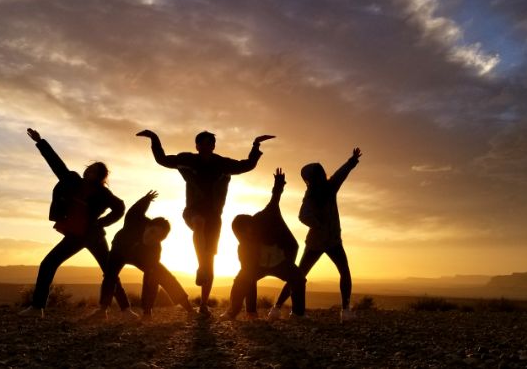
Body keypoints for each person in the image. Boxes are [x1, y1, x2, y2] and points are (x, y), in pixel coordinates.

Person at [136, 129, 274, 316]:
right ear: (197, 145)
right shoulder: (187, 160)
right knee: (199, 223)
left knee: (210, 262)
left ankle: (203, 304)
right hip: (192, 211)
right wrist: (154, 138)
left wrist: (256, 144)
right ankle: (201, 265)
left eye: (211, 143)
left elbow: (247, 165)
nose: (208, 145)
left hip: (214, 217)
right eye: (204, 142)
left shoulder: (222, 164)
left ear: (214, 146)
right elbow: (162, 159)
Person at [19, 128, 133, 319]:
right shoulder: (72, 180)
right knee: (48, 264)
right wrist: (40, 142)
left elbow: (120, 207)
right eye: (89, 168)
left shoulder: (103, 193)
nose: (89, 171)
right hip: (75, 236)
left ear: (100, 176)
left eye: (94, 171)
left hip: (94, 236)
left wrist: (102, 223)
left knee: (109, 272)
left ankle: (126, 310)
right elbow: (56, 164)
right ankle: (37, 307)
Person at [271, 148, 362, 322]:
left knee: (299, 275)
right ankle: (345, 311)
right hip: (329, 240)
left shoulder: (316, 192)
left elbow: (303, 216)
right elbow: (303, 215)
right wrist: (320, 225)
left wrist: (352, 161)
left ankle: (276, 308)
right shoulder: (326, 189)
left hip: (319, 241)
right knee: (341, 272)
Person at [90, 190, 196, 320]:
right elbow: (136, 209)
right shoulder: (134, 219)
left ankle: (188, 310)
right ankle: (102, 310)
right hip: (119, 249)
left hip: (140, 256)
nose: (152, 238)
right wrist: (146, 200)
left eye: (158, 237)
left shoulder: (155, 249)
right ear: (147, 226)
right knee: (110, 275)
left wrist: (147, 310)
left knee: (159, 273)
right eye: (152, 232)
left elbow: (151, 281)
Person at [221, 168, 305, 321]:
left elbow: (274, 200)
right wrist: (251, 311)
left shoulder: (267, 216)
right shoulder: (244, 246)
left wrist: (278, 185)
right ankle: (235, 312)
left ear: (252, 224)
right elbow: (248, 274)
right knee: (241, 280)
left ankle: (297, 314)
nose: (248, 237)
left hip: (281, 261)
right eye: (243, 236)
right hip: (259, 264)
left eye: (248, 232)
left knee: (298, 278)